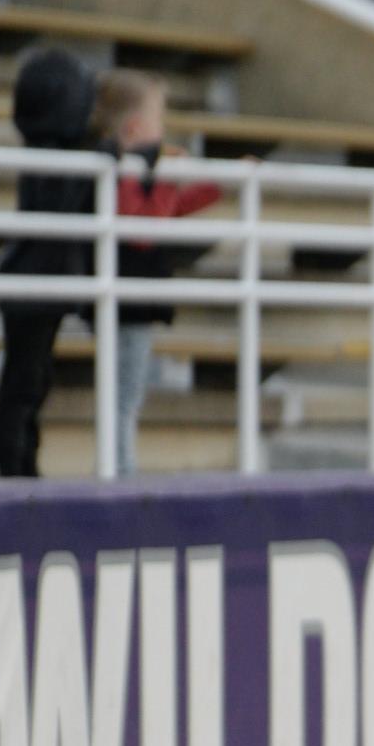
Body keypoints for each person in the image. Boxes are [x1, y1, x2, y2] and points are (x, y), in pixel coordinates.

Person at [90, 67, 222, 476]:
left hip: (133, 300)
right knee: (123, 398)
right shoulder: (122, 168)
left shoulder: (135, 168)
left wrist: (218, 183)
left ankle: (120, 470)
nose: (163, 130)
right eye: (158, 119)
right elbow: (144, 228)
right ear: (133, 127)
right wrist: (167, 177)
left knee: (127, 395)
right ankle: (120, 475)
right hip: (126, 303)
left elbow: (170, 210)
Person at [0, 46, 97, 480]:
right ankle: (15, 470)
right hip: (30, 285)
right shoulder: (47, 155)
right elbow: (62, 205)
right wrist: (101, 158)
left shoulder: (61, 153)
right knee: (23, 384)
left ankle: (24, 466)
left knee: (34, 382)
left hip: (46, 285)